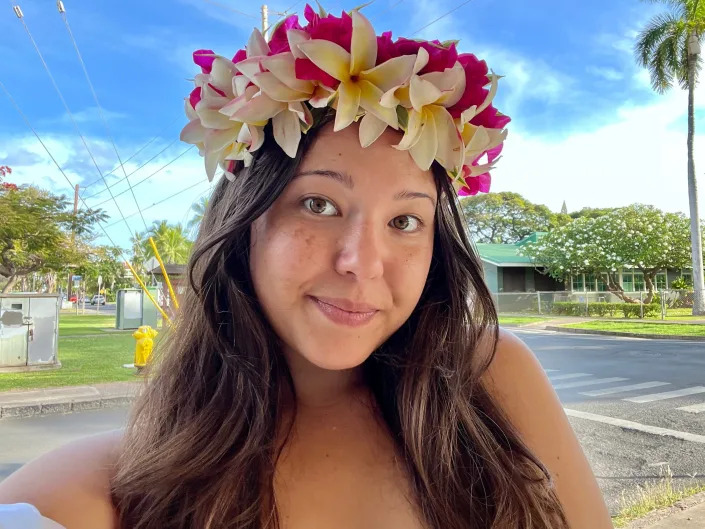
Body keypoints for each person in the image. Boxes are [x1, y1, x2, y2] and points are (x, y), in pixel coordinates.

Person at [0, 5, 612, 528]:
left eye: (405, 221)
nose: (361, 264)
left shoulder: (491, 380)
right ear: (245, 225)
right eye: (319, 205)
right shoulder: (95, 493)